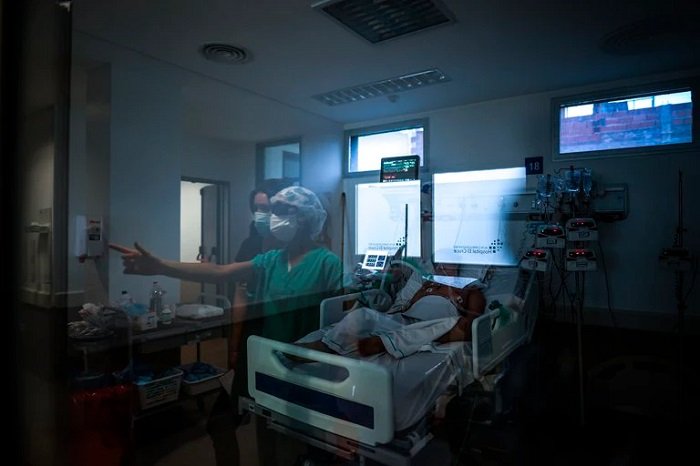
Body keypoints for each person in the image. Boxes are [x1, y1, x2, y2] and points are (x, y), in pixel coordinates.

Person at [110, 185, 342, 466]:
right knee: (264, 428)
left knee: (299, 440)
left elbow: (339, 324)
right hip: (269, 364)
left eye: (281, 210)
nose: (273, 217)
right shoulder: (271, 260)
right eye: (271, 210)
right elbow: (220, 271)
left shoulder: (328, 263)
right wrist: (162, 266)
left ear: (305, 217)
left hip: (307, 369)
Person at [297, 277, 486, 359]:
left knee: (458, 327)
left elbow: (473, 319)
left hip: (439, 324)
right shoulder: (428, 286)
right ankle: (327, 345)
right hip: (407, 319)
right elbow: (408, 306)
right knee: (363, 315)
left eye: (449, 264)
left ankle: (382, 342)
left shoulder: (470, 290)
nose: (444, 267)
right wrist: (426, 291)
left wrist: (453, 298)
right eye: (440, 264)